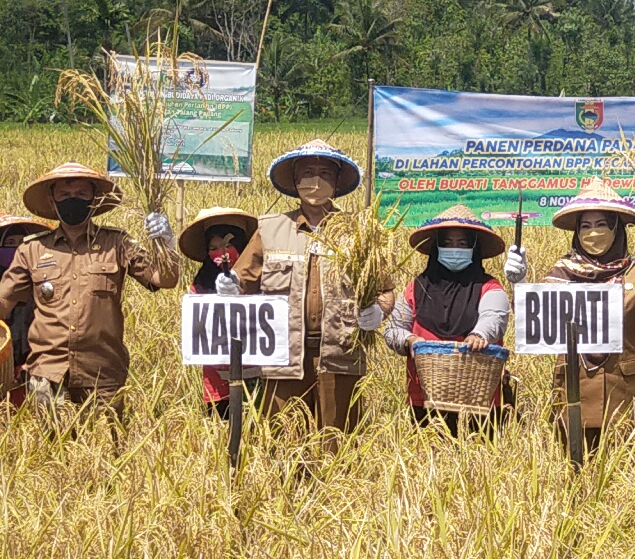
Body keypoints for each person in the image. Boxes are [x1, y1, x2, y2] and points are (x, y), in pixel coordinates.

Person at [219, 140, 394, 447]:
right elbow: (243, 281)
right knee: (284, 442)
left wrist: (378, 311)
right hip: (283, 355)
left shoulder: (359, 231)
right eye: (307, 172)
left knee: (337, 442)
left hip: (340, 353)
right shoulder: (271, 229)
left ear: (338, 182)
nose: (315, 181)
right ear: (295, 181)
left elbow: (385, 289)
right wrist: (228, 286)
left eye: (325, 172)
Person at [505, 179, 635, 449]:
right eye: (585, 226)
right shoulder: (563, 272)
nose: (593, 233)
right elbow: (533, 320)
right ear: (576, 232)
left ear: (617, 228)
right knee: (573, 466)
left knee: (626, 469)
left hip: (623, 388)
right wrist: (517, 282)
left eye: (601, 225)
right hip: (574, 385)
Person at [0, 163, 178, 422]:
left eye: (82, 194)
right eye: (64, 195)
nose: (73, 200)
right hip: (48, 375)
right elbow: (4, 301)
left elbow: (164, 279)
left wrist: (166, 243)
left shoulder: (117, 243)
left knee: (107, 451)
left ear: (94, 199)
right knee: (50, 453)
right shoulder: (32, 250)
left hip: (103, 374)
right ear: (52, 200)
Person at [384, 205, 509, 435]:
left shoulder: (489, 287)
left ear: (474, 249)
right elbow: (393, 329)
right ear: (436, 248)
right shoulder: (416, 288)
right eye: (448, 243)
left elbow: (495, 316)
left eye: (462, 244)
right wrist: (409, 340)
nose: (454, 250)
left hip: (476, 397)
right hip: (424, 397)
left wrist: (480, 334)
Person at [177, 207, 257, 420]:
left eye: (228, 245)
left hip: (258, 376)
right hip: (217, 381)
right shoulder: (201, 283)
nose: (220, 253)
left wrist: (241, 290)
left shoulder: (261, 277)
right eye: (213, 248)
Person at [0, 214, 50, 406]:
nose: (17, 248)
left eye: (22, 242)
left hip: (31, 368)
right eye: (10, 242)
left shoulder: (41, 283)